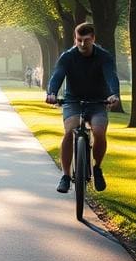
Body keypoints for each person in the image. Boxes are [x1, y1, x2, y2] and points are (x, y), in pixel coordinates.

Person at [45, 23, 120, 194]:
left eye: (86, 40)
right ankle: (65, 176)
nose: (82, 44)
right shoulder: (67, 57)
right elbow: (57, 76)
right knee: (69, 132)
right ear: (75, 39)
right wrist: (51, 93)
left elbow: (111, 76)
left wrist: (114, 94)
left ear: (93, 39)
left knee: (99, 131)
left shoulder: (104, 56)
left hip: (98, 101)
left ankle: (98, 168)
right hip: (73, 101)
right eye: (79, 40)